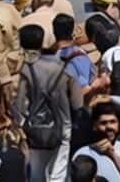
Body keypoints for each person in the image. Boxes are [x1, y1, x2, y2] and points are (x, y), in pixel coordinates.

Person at [15, 24, 83, 182]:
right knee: (57, 174)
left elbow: (20, 103)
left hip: (35, 127)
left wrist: (21, 125)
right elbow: (77, 103)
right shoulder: (66, 67)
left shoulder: (27, 68)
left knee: (37, 175)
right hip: (62, 127)